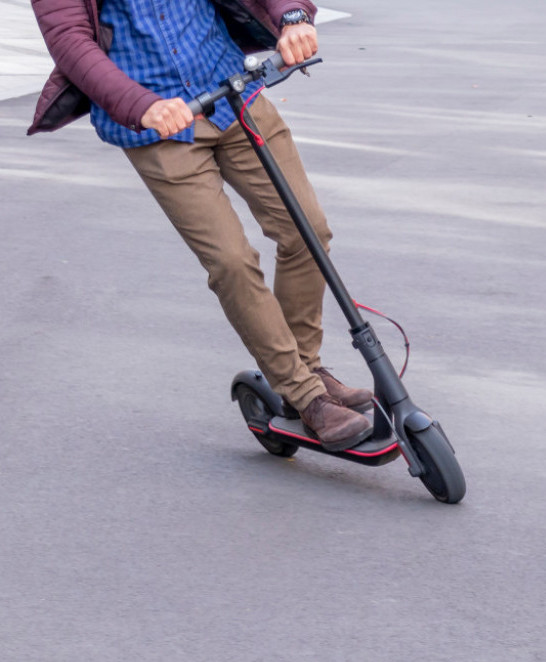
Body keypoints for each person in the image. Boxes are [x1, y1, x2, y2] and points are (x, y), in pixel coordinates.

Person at [28, 0, 373, 452]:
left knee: (308, 230)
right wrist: (142, 105)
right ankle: (304, 394)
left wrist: (292, 18)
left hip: (233, 93)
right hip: (158, 124)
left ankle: (306, 369)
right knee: (231, 261)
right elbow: (70, 42)